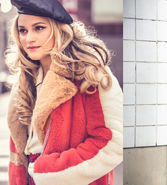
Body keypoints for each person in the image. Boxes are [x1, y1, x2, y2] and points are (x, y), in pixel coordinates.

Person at [5, 0, 123, 184]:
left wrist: (50, 171)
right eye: (23, 30)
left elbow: (114, 143)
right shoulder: (24, 79)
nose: (29, 38)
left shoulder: (90, 74)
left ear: (59, 29)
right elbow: (19, 150)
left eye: (39, 28)